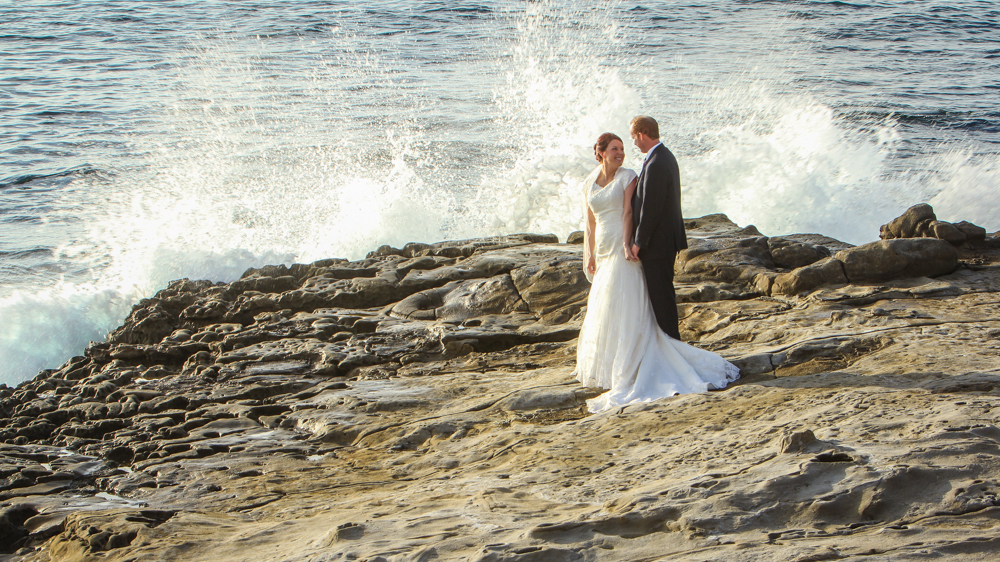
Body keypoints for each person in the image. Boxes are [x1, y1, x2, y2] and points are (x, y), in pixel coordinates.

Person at [575, 128, 739, 414]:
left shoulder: (629, 177)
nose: (620, 152)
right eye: (614, 148)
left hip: (619, 244)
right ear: (601, 153)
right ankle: (611, 362)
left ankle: (633, 363)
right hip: (601, 246)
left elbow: (629, 213)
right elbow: (589, 222)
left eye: (622, 147)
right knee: (605, 304)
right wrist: (588, 253)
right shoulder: (589, 181)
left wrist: (629, 244)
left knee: (625, 300)